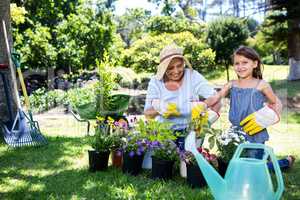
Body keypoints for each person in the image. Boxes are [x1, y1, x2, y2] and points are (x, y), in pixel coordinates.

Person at [206, 45, 295, 170]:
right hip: (235, 133)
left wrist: (270, 115)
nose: (240, 66)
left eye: (244, 62)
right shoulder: (231, 84)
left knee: (253, 169)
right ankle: (264, 159)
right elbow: (216, 97)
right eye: (237, 63)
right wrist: (203, 104)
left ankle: (284, 162)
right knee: (234, 167)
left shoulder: (262, 85)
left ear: (254, 64)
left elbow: (275, 103)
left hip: (255, 132)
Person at [144, 44, 220, 150]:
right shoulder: (156, 82)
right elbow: (147, 113)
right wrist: (159, 108)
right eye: (170, 68)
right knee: (167, 162)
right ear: (163, 68)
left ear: (184, 63)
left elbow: (215, 97)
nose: (176, 71)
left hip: (191, 130)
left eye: (179, 65)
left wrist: (203, 113)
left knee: (188, 162)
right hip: (165, 133)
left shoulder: (192, 76)